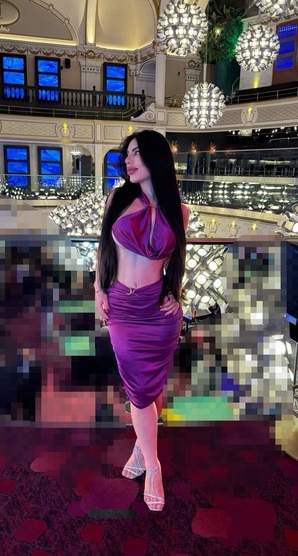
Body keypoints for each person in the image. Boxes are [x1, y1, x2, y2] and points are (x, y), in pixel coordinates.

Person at [94, 129, 189, 511]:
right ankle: (154, 465)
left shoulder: (180, 211)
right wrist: (99, 290)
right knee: (138, 392)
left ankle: (141, 452)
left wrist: (175, 294)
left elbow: (177, 261)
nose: (128, 161)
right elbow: (103, 247)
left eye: (135, 153)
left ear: (156, 157)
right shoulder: (117, 198)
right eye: (126, 155)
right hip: (122, 308)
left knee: (151, 387)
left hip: (159, 313)